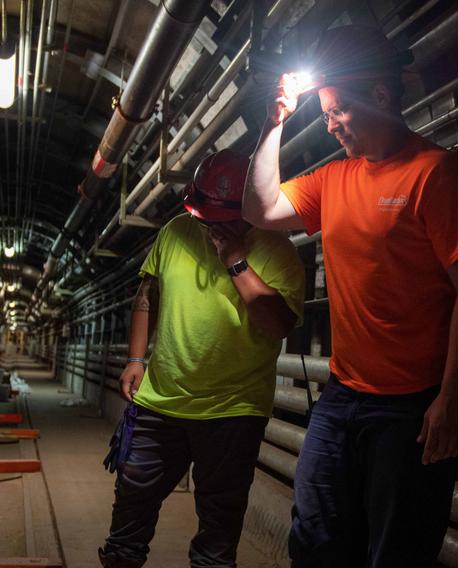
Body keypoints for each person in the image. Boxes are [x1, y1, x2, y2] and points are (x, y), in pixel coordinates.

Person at [243, 25, 458, 568]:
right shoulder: (334, 179)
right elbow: (259, 209)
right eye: (327, 113)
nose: (331, 125)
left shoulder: (437, 173)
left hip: (412, 404)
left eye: (338, 111)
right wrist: (274, 123)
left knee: (396, 552)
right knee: (314, 539)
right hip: (343, 396)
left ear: (380, 97)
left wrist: (452, 398)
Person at [98, 149, 307, 567]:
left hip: (233, 408)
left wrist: (234, 260)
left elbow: (278, 324)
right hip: (162, 399)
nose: (209, 224)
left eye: (220, 216)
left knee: (218, 522)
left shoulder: (279, 252)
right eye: (203, 214)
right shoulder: (176, 231)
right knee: (131, 499)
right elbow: (147, 294)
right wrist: (136, 358)